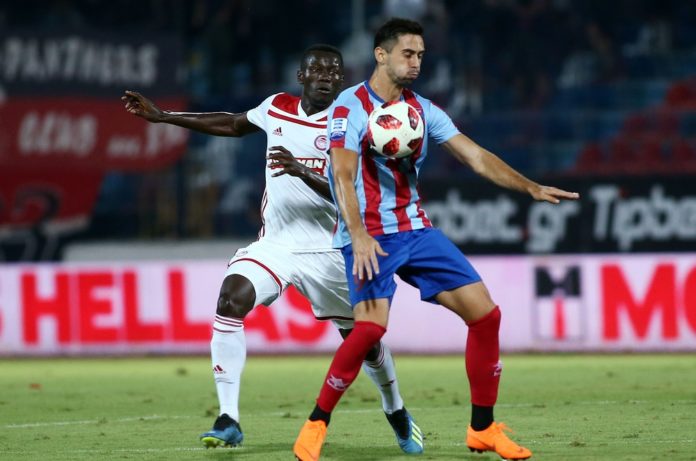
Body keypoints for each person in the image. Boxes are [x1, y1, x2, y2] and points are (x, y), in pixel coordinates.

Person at [292, 20, 579, 461]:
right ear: (381, 55)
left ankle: (482, 428)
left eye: (421, 56)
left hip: (416, 229)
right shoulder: (350, 108)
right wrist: (358, 235)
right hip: (370, 234)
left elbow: (475, 156)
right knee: (369, 329)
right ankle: (316, 423)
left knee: (485, 316)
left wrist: (531, 187)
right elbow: (342, 175)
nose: (416, 63)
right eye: (408, 54)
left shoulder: (424, 110)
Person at [122, 44, 424, 454]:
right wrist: (164, 117)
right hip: (277, 245)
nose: (325, 77)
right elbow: (232, 124)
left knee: (364, 342)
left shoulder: (356, 125)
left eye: (333, 72)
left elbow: (358, 196)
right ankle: (228, 418)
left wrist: (302, 171)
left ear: (341, 80)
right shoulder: (277, 107)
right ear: (301, 76)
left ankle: (396, 409)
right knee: (231, 299)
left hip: (333, 251)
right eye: (317, 70)